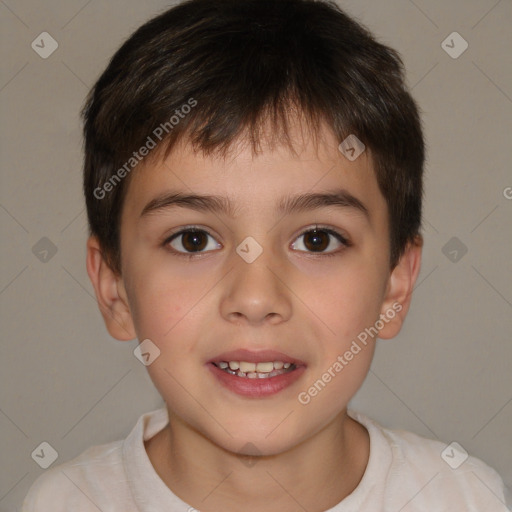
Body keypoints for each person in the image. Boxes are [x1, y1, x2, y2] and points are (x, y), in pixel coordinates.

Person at [22, 0, 510, 510]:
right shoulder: (65, 502)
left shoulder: (462, 496)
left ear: (396, 284)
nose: (255, 299)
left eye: (317, 239)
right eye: (193, 240)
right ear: (114, 288)